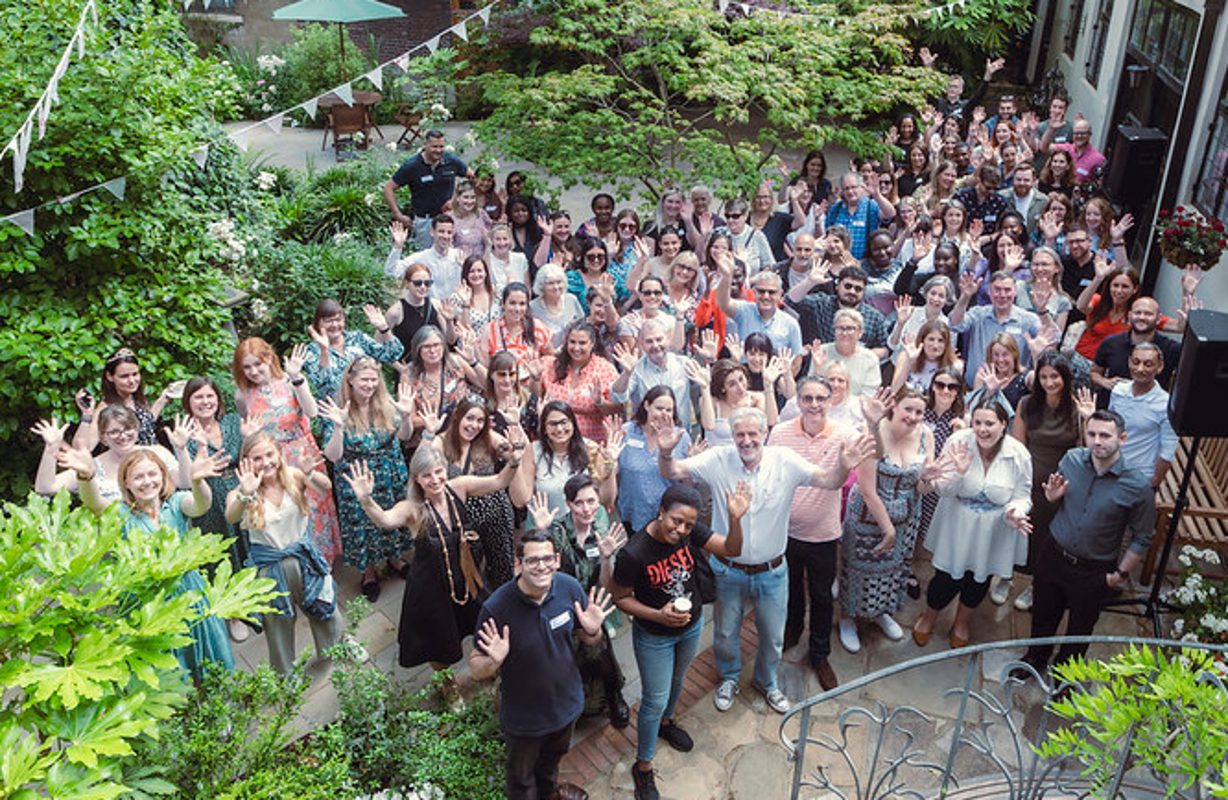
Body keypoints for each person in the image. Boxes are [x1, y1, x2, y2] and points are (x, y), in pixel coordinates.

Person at [657, 406, 873, 715]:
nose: (746, 441)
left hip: (772, 572)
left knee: (773, 635)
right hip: (728, 570)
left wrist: (843, 465)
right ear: (732, 437)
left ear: (765, 434)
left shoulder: (783, 461)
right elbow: (674, 471)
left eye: (752, 433)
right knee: (726, 632)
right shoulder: (719, 459)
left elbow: (827, 481)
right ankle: (729, 677)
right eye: (739, 434)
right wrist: (665, 454)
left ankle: (766, 681)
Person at [609, 483, 752, 800]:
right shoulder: (634, 553)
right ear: (661, 511)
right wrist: (657, 616)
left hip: (691, 624)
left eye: (688, 524)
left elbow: (732, 549)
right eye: (676, 521)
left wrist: (736, 519)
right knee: (653, 700)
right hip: (654, 636)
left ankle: (667, 723)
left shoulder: (690, 530)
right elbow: (619, 597)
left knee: (678, 681)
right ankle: (643, 766)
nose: (682, 529)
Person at [350, 438, 526, 671]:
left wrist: (513, 462)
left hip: (467, 576)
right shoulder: (412, 508)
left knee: (485, 622)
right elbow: (385, 520)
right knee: (439, 642)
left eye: (438, 472)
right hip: (431, 587)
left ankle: (489, 666)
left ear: (445, 469)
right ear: (417, 479)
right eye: (427, 476)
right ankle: (446, 687)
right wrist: (366, 500)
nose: (435, 480)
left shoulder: (459, 487)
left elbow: (499, 481)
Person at [61, 444, 234, 680]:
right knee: (167, 676)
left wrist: (197, 480)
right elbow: (94, 502)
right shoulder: (122, 513)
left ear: (163, 477)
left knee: (207, 665)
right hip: (147, 604)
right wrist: (86, 475)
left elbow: (201, 505)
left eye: (153, 474)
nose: (147, 482)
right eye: (138, 477)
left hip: (189, 593)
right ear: (126, 483)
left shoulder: (176, 504)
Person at [470, 530, 614, 800]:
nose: (541, 566)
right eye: (532, 560)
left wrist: (593, 631)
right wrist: (493, 661)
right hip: (524, 720)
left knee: (549, 771)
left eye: (547, 558)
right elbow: (476, 667)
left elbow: (588, 638)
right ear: (518, 564)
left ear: (557, 560)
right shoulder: (497, 608)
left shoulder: (569, 587)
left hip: (567, 707)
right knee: (521, 782)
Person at [1013, 410, 1156, 677]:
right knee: (1043, 613)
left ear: (1122, 438)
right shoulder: (1071, 460)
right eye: (1091, 434)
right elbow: (1055, 497)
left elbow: (1143, 535)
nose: (1097, 441)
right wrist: (1052, 497)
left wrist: (1120, 574)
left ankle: (1066, 675)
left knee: (1080, 628)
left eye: (1105, 435)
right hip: (1054, 554)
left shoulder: (1137, 487)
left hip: (1095, 568)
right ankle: (1035, 658)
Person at [226, 432, 348, 675]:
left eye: (270, 455)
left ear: (279, 455)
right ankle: (284, 672)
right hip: (271, 565)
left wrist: (310, 472)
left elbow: (326, 487)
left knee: (324, 603)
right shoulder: (242, 491)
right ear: (247, 462)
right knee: (277, 621)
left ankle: (339, 645)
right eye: (257, 458)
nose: (266, 462)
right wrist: (245, 493)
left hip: (304, 556)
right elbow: (231, 516)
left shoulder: (293, 476)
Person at [913, 402, 1033, 648]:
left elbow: (1023, 494)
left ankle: (962, 621)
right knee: (945, 578)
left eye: (990, 423)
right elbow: (943, 490)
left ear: (1003, 425)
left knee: (979, 580)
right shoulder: (958, 442)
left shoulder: (1019, 454)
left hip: (994, 530)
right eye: (978, 422)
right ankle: (929, 616)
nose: (982, 429)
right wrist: (958, 473)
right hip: (958, 524)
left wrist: (1015, 511)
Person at [839, 385, 947, 653]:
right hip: (868, 516)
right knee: (858, 570)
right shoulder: (875, 433)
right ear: (894, 408)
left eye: (919, 412)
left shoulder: (926, 436)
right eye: (907, 409)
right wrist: (887, 529)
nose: (912, 416)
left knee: (892, 569)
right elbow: (866, 488)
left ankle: (879, 612)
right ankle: (848, 617)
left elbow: (922, 489)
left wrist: (927, 480)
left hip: (906, 518)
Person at [769, 376, 860, 690]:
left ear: (831, 400)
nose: (814, 405)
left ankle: (819, 655)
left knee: (822, 597)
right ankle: (792, 631)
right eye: (807, 398)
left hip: (823, 533)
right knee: (791, 590)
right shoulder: (780, 434)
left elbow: (871, 454)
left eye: (821, 398)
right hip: (786, 532)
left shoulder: (845, 435)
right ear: (798, 400)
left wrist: (874, 425)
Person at [528, 475, 630, 728]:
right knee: (566, 664)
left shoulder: (601, 534)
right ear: (569, 504)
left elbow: (607, 588)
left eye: (591, 501)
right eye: (579, 503)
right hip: (561, 609)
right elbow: (541, 564)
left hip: (592, 610)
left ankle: (612, 698)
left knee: (602, 658)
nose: (586, 508)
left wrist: (607, 559)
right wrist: (541, 532)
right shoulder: (558, 531)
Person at [233, 338, 342, 563]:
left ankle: (322, 565)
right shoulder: (242, 395)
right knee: (284, 515)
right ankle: (296, 568)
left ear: (269, 358)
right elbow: (250, 433)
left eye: (258, 364)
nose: (253, 371)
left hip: (302, 456)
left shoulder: (291, 381)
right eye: (247, 367)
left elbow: (312, 412)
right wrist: (247, 437)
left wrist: (297, 378)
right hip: (270, 463)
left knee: (312, 512)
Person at [319, 358, 417, 601]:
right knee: (364, 523)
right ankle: (369, 571)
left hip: (390, 471)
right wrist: (339, 427)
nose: (370, 384)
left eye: (374, 379)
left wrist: (406, 417)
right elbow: (332, 455)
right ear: (350, 379)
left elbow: (404, 436)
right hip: (357, 478)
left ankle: (395, 559)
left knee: (391, 515)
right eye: (365, 379)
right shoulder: (337, 409)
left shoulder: (386, 404)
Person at [1008, 352, 1090, 611]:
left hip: (1058, 486)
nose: (1049, 382)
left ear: (1065, 378)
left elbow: (1087, 452)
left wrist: (1087, 419)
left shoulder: (1076, 409)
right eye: (1043, 376)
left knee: (1044, 537)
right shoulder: (1026, 404)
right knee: (1015, 529)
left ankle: (1036, 583)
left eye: (1054, 376)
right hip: (1028, 479)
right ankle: (1006, 576)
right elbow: (1018, 446)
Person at [178, 377, 257, 642]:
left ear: (218, 399)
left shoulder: (233, 422)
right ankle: (231, 612)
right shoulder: (183, 433)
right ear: (188, 402)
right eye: (198, 397)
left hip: (239, 491)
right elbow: (184, 477)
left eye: (209, 396)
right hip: (208, 500)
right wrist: (186, 447)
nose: (205, 402)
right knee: (222, 554)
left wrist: (250, 438)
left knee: (249, 544)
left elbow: (247, 456)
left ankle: (253, 600)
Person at [428, 395, 531, 588]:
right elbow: (422, 466)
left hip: (496, 509)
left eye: (480, 420)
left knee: (502, 566)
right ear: (458, 416)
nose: (474, 425)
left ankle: (502, 604)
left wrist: (515, 426)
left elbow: (516, 453)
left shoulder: (488, 438)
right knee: (466, 568)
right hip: (463, 517)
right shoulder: (440, 442)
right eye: (469, 418)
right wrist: (427, 435)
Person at [34, 405, 181, 504]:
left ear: (136, 429)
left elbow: (185, 483)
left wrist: (181, 450)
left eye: (128, 429)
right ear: (103, 437)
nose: (123, 436)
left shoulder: (157, 453)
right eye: (114, 432)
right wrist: (51, 447)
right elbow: (45, 488)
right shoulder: (91, 466)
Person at [617, 386, 692, 532]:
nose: (663, 414)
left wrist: (692, 462)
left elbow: (688, 485)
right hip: (632, 513)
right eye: (659, 408)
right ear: (646, 405)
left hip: (668, 517)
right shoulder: (627, 432)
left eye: (669, 410)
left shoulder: (680, 437)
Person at [950, 270, 1045, 385]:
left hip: (1013, 391)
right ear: (989, 291)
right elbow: (955, 325)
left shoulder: (1029, 320)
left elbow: (1049, 342)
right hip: (976, 389)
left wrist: (1043, 311)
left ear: (1015, 291)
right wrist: (965, 297)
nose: (1002, 295)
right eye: (997, 290)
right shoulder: (978, 314)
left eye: (1007, 290)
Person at [527, 400, 621, 515]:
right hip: (547, 524)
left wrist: (610, 464)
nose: (560, 429)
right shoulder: (534, 450)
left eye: (564, 422)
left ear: (573, 424)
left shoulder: (590, 449)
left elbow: (606, 501)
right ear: (544, 428)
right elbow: (521, 500)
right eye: (553, 424)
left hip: (585, 524)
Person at [610, 317, 702, 433]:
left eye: (659, 339)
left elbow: (706, 384)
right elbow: (617, 397)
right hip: (647, 438)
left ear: (668, 339)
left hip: (680, 436)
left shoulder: (683, 363)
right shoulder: (636, 369)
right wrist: (626, 374)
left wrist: (709, 359)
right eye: (649, 341)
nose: (655, 345)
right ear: (641, 343)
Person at [383, 129, 472, 248]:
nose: (438, 150)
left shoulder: (451, 161)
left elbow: (474, 177)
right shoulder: (412, 166)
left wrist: (459, 199)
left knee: (451, 257)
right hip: (425, 222)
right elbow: (388, 188)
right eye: (434, 147)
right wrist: (398, 215)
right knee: (424, 260)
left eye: (441, 147)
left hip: (448, 219)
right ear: (425, 145)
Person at [303, 298, 404, 401]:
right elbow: (320, 382)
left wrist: (384, 329)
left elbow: (393, 354)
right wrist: (324, 350)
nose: (335, 325)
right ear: (318, 324)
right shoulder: (312, 351)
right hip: (335, 411)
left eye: (338, 320)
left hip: (366, 407)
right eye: (328, 321)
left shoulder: (357, 338)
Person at [73, 348, 175, 450]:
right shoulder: (106, 408)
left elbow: (145, 424)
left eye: (135, 374)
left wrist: (162, 400)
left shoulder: (135, 398)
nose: (132, 380)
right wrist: (87, 415)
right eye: (124, 376)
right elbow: (83, 448)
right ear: (110, 376)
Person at [1109, 342, 1178, 489]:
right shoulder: (1118, 391)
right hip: (1109, 466)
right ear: (1129, 362)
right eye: (1136, 362)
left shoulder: (1165, 404)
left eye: (1148, 364)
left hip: (1138, 476)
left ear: (1159, 367)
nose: (1140, 369)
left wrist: (1151, 485)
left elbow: (1167, 452)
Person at [785, 264, 890, 358]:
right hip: (820, 366)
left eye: (858, 289)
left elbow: (885, 348)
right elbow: (790, 300)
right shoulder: (821, 304)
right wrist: (810, 281)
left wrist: (864, 356)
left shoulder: (875, 317)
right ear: (837, 286)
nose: (852, 291)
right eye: (848, 286)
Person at [541, 321, 621, 442]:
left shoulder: (605, 369)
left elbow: (617, 408)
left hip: (591, 442)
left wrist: (600, 402)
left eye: (582, 343)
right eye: (572, 342)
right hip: (557, 439)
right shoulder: (553, 365)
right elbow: (540, 395)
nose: (576, 348)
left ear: (592, 344)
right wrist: (535, 379)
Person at [1091, 296, 1182, 399]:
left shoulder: (1171, 349)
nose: (1142, 317)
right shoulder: (1111, 342)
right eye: (1137, 313)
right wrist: (1105, 382)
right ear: (1129, 316)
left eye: (1148, 314)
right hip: (1111, 408)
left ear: (1158, 319)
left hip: (1150, 411)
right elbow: (1094, 373)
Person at [716, 262, 803, 356]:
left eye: (771, 292)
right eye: (761, 291)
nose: (766, 296)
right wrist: (726, 276)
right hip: (744, 369)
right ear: (754, 292)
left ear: (780, 294)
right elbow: (723, 303)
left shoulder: (791, 324)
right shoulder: (743, 311)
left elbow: (796, 359)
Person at [805, 309, 882, 399]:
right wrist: (817, 370)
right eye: (840, 328)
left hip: (856, 410)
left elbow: (868, 396)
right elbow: (810, 388)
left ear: (860, 332)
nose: (844, 333)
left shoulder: (870, 359)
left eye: (850, 328)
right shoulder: (821, 352)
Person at [387, 214, 465, 301]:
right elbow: (392, 271)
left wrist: (464, 268)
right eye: (441, 231)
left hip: (456, 309)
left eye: (449, 232)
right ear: (432, 232)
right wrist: (398, 246)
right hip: (431, 309)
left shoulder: (460, 256)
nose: (445, 236)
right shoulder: (420, 258)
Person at [479, 283, 553, 371]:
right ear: (503, 304)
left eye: (522, 304)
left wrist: (539, 366)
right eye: (512, 303)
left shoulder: (537, 326)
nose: (517, 309)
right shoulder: (490, 330)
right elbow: (486, 367)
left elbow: (551, 356)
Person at [824, 172, 896, 260]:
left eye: (853, 187)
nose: (850, 192)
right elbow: (826, 235)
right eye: (846, 188)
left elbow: (891, 214)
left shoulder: (871, 205)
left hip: (865, 264)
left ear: (861, 187)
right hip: (839, 263)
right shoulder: (836, 208)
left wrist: (877, 195)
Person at [716, 198, 775, 276]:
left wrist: (749, 281)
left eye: (735, 216)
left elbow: (769, 267)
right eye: (727, 216)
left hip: (751, 284)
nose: (730, 220)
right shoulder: (718, 233)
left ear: (745, 216)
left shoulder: (757, 236)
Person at [531, 264, 586, 345]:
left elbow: (583, 325)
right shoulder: (533, 307)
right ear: (541, 286)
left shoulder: (571, 300)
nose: (556, 287)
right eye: (550, 283)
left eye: (559, 282)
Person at [452, 254, 502, 332]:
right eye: (472, 271)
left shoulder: (498, 291)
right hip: (473, 342)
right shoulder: (457, 298)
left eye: (479, 270)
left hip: (497, 341)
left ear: (486, 273)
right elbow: (464, 328)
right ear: (466, 274)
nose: (476, 275)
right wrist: (466, 303)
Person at [448, 179, 491, 260]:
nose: (469, 201)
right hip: (459, 263)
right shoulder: (450, 218)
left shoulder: (481, 214)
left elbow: (490, 235)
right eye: (466, 197)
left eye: (472, 197)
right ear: (457, 198)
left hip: (481, 262)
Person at [998, 163, 1048, 229]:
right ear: (1013, 180)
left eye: (1026, 180)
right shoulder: (1001, 197)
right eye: (1018, 179)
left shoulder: (1043, 201)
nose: (1022, 183)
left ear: (1033, 181)